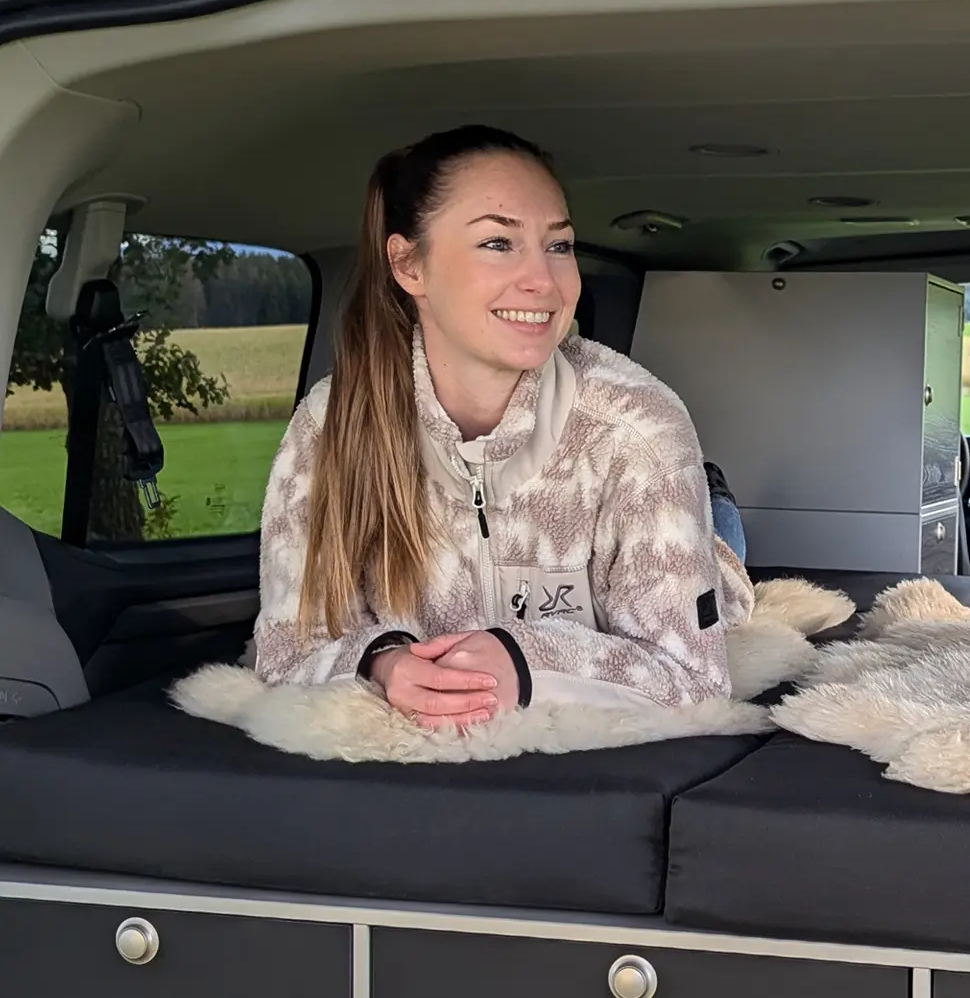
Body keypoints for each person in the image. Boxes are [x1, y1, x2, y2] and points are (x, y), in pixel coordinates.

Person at [253, 124, 754, 729]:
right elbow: (285, 653)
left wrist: (524, 656)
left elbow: (696, 682)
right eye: (498, 243)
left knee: (721, 560)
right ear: (409, 265)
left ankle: (711, 496)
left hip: (678, 513)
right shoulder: (327, 428)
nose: (544, 280)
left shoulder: (640, 428)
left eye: (560, 246)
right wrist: (380, 663)